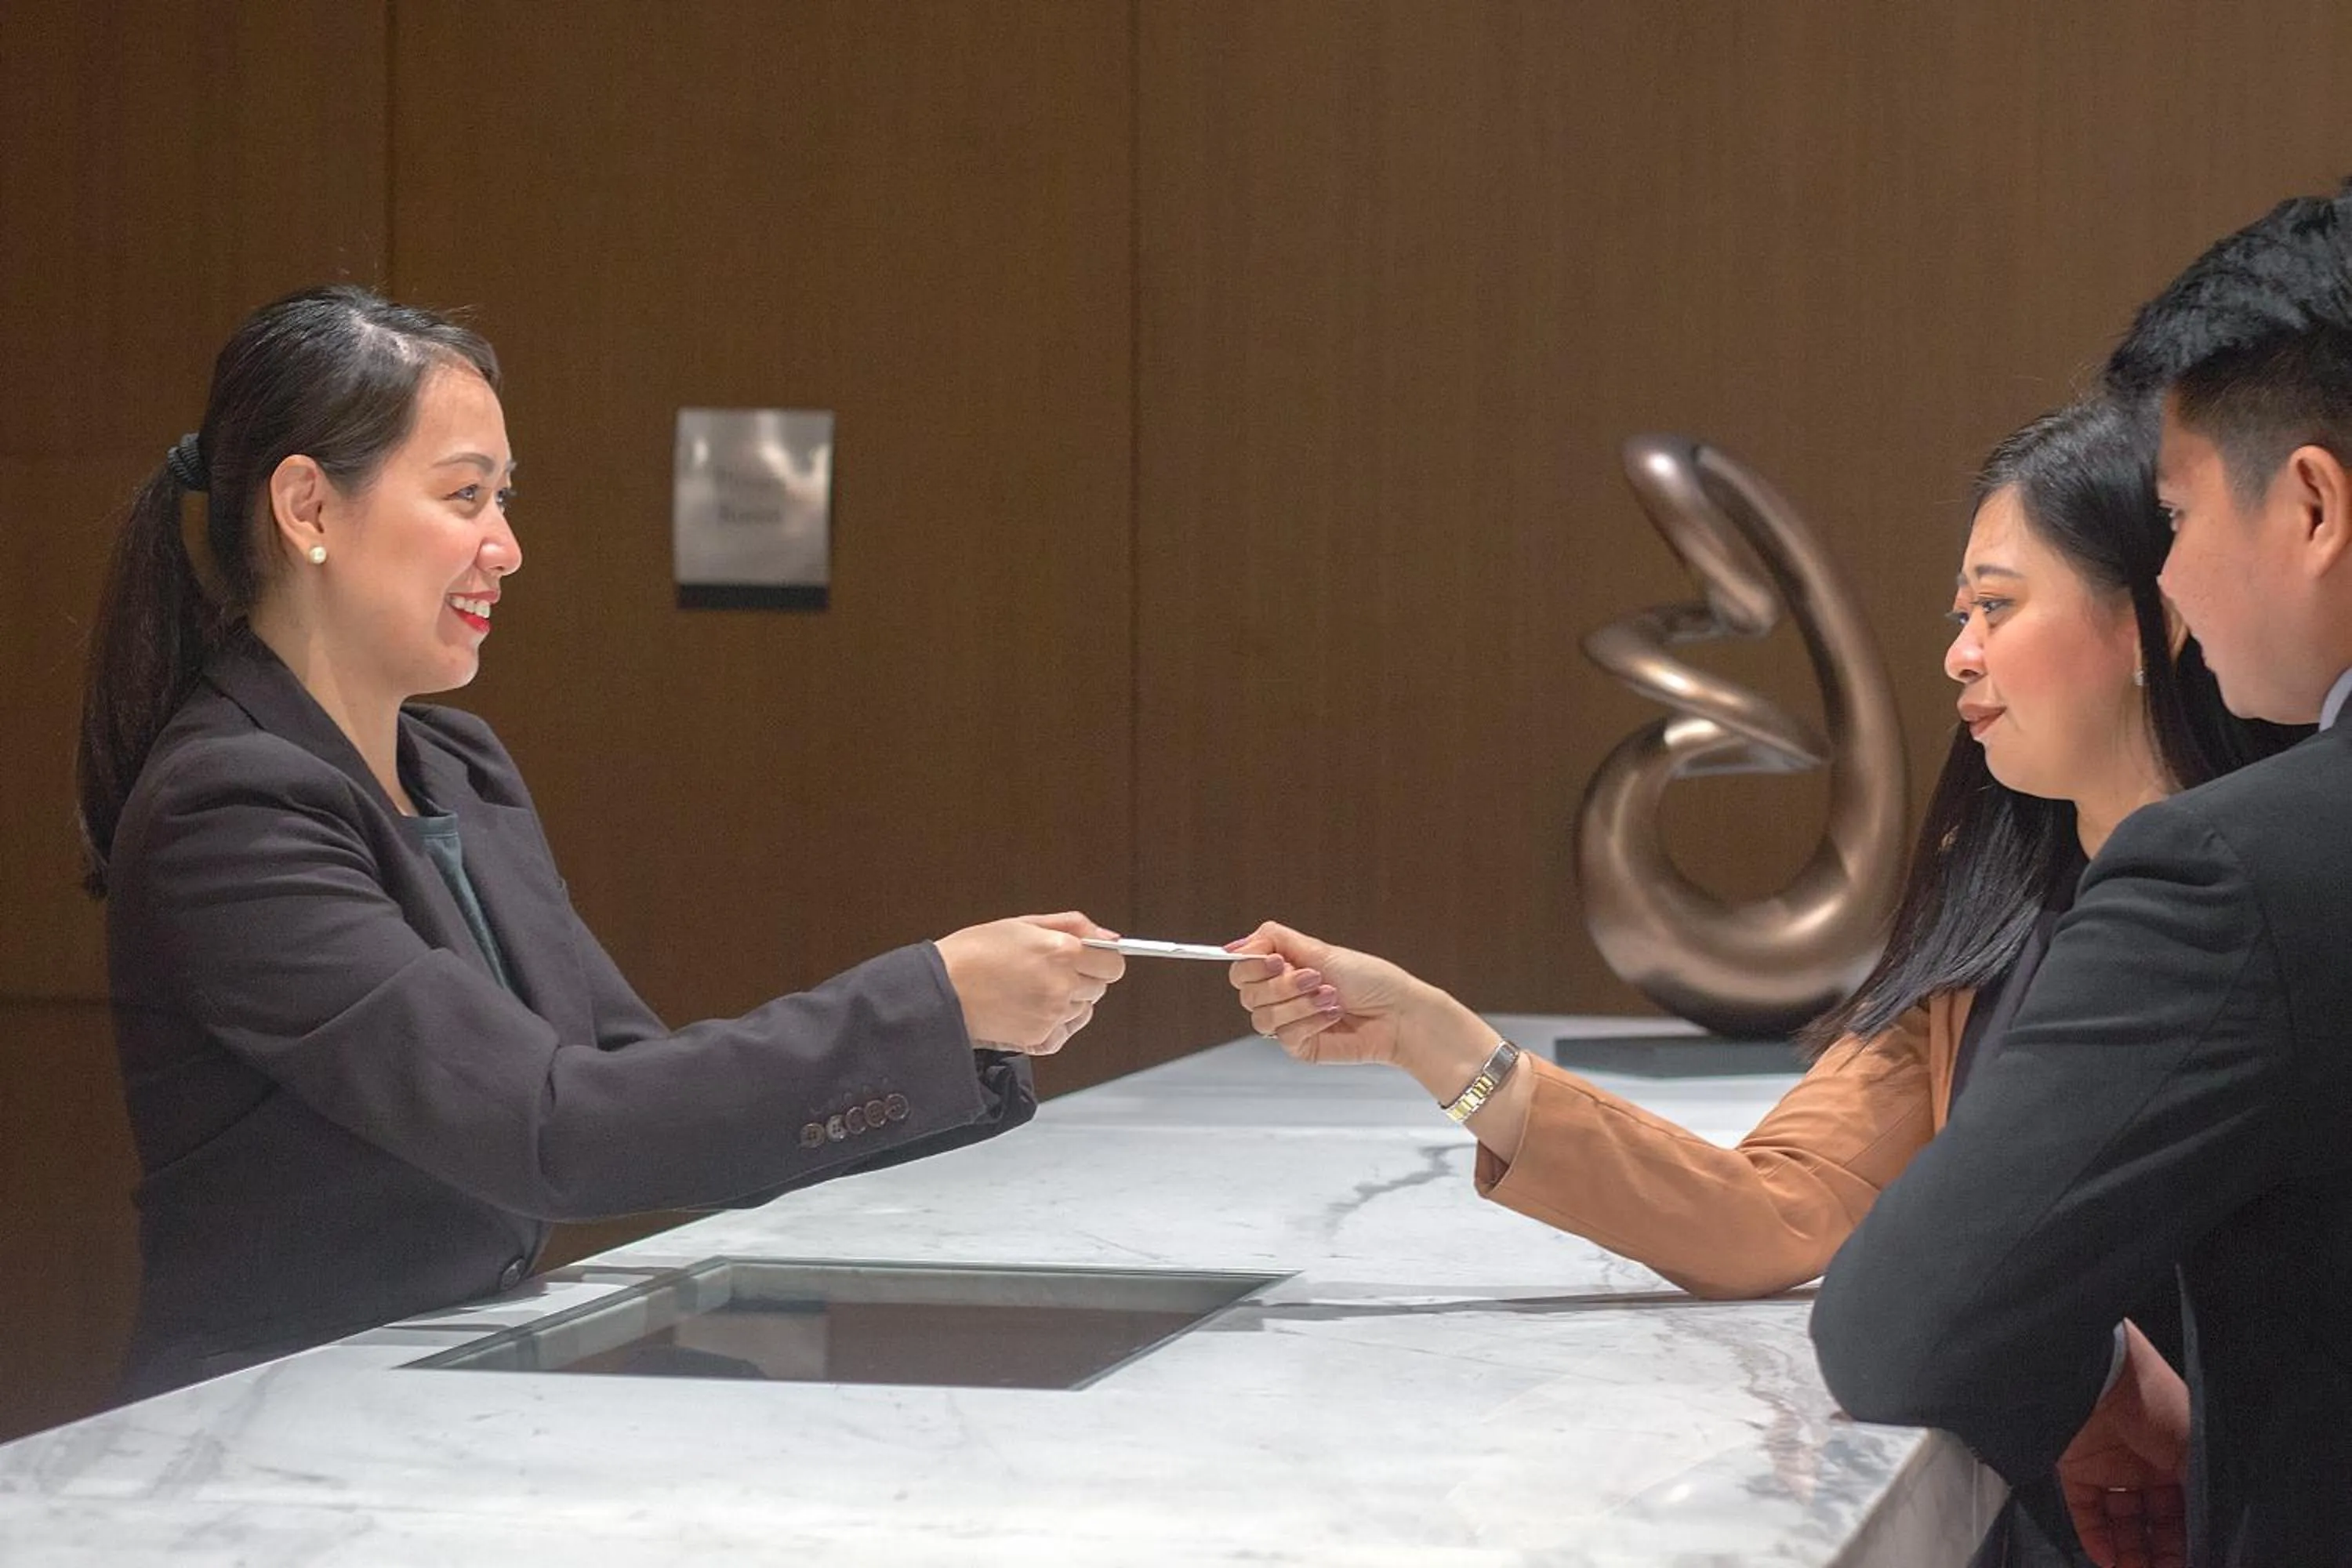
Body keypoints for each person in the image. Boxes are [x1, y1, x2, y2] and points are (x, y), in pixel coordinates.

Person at [1225, 397, 2302, 1566]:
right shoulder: (1993, 917)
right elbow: (1772, 1210)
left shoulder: (2289, 894)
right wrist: (1437, 1046)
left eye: (1996, 606)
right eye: (1960, 615)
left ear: (2152, 617)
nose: (1959, 654)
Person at [77, 285, 1127, 1399]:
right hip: (264, 1420)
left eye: (503, 498)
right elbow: (554, 1129)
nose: (507, 547)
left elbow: (635, 1094)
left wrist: (963, 1034)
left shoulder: (458, 764)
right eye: (465, 495)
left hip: (441, 1392)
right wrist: (935, 1000)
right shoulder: (230, 807)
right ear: (308, 508)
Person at [1812, 195, 2352, 1568]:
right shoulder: (2019, 914)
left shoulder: (2237, 878)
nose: (2178, 579)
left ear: (2312, 505)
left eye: (2176, 517)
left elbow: (1904, 1319)